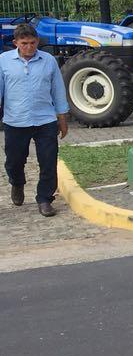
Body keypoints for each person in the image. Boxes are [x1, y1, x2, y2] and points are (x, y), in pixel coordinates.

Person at [0, 23, 69, 217]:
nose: (29, 47)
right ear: (16, 43)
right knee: (14, 162)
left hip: (45, 120)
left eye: (32, 43)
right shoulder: (3, 61)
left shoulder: (48, 61)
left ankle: (45, 199)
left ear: (37, 41)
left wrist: (62, 117)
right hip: (15, 121)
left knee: (48, 161)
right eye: (24, 43)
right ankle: (17, 183)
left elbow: (58, 89)